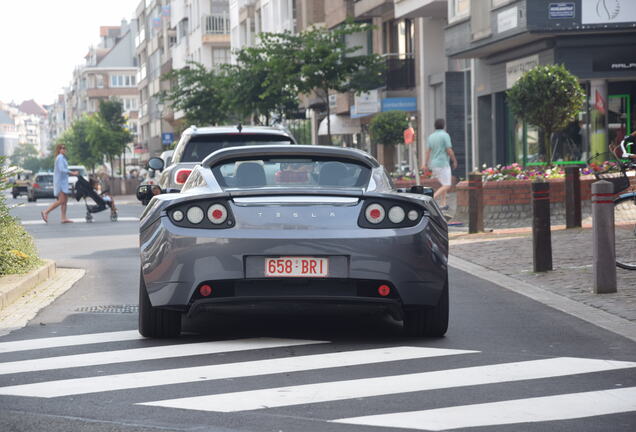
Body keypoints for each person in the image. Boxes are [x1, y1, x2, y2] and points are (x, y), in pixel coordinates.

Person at [423, 119, 458, 211]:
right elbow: (449, 150)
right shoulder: (445, 135)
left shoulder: (431, 137)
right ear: (443, 125)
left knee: (443, 183)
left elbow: (428, 152)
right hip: (443, 163)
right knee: (447, 185)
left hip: (434, 164)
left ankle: (443, 204)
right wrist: (454, 160)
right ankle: (430, 199)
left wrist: (425, 164)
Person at [41, 144, 78, 224]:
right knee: (61, 200)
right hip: (60, 182)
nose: (64, 149)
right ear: (58, 150)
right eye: (62, 148)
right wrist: (72, 173)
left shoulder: (62, 158)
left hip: (63, 182)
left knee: (65, 201)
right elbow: (62, 169)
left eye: (65, 148)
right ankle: (46, 212)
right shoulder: (60, 157)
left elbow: (63, 169)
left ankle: (63, 218)